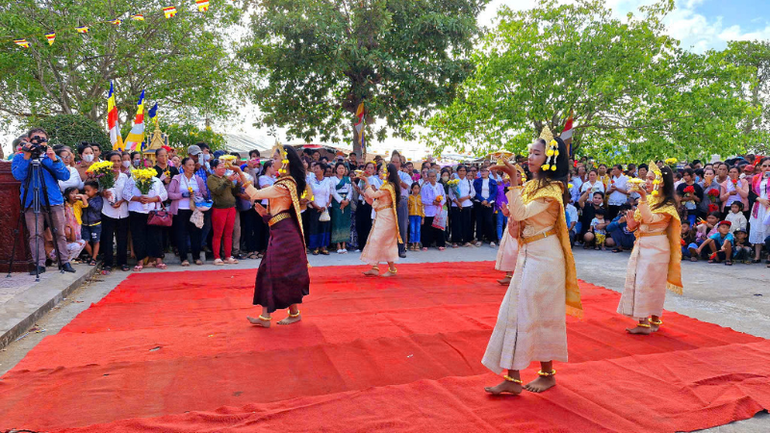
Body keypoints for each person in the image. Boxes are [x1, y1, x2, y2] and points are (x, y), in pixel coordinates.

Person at [483, 133, 582, 396]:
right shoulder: (532, 186)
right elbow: (519, 220)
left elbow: (522, 212)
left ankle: (545, 375)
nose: (530, 157)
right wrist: (513, 224)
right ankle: (514, 378)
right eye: (530, 152)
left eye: (537, 153)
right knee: (517, 312)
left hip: (545, 259)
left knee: (536, 313)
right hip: (529, 254)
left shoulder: (552, 190)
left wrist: (513, 180)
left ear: (551, 159)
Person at [240, 145, 309, 327]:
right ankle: (282, 314)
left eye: (276, 158)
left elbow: (254, 194)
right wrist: (265, 215)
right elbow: (280, 212)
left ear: (285, 162)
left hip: (285, 235)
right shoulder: (286, 183)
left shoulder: (284, 185)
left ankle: (271, 316)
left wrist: (239, 173)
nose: (273, 161)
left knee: (274, 271)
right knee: (274, 270)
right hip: (281, 231)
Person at [617, 161, 682, 334]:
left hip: (656, 247)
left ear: (662, 182)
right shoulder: (650, 199)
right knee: (641, 281)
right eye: (646, 178)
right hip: (642, 243)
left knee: (651, 283)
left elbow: (650, 220)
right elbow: (640, 223)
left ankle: (650, 321)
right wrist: (631, 225)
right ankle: (646, 321)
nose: (646, 181)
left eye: (651, 178)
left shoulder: (668, 204)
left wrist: (643, 198)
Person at [11, 128, 76, 274]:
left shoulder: (51, 156)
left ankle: (64, 262)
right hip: (31, 201)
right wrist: (27, 157)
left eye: (42, 139)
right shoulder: (20, 157)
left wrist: (54, 159)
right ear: (29, 140)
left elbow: (65, 176)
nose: (39, 141)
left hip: (53, 200)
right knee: (35, 234)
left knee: (59, 232)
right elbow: (18, 176)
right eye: (36, 138)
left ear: (47, 141)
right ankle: (39, 264)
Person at [359, 164, 402, 277]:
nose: (381, 173)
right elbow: (376, 199)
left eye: (384, 171)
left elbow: (373, 194)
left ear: (389, 173)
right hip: (382, 215)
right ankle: (375, 267)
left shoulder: (389, 187)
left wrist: (366, 182)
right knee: (378, 240)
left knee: (381, 241)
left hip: (386, 218)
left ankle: (392, 270)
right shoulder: (386, 185)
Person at [123, 165, 168, 271]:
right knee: (138, 236)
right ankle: (140, 261)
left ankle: (158, 260)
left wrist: (152, 199)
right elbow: (125, 194)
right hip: (137, 211)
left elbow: (164, 195)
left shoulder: (156, 180)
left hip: (153, 212)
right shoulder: (133, 179)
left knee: (156, 236)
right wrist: (138, 198)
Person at [168, 157, 208, 266]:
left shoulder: (198, 179)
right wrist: (182, 195)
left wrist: (197, 194)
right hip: (180, 210)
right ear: (183, 167)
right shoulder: (177, 178)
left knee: (196, 233)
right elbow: (170, 194)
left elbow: (204, 194)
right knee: (181, 234)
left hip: (194, 210)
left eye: (193, 165)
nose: (191, 167)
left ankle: (196, 257)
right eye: (189, 165)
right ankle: (183, 258)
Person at [100, 152, 130, 274]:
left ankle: (122, 262)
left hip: (122, 211)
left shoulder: (125, 177)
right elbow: (98, 191)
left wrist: (121, 201)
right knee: (107, 238)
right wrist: (104, 193)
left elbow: (128, 193)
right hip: (108, 211)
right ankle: (108, 263)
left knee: (122, 238)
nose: (116, 163)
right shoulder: (103, 176)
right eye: (113, 161)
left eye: (118, 161)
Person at [207, 159, 241, 265]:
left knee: (229, 233)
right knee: (218, 233)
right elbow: (217, 191)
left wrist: (238, 183)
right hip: (219, 208)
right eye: (220, 167)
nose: (223, 169)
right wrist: (228, 181)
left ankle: (228, 256)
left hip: (231, 207)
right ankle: (217, 257)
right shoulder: (211, 179)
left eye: (224, 167)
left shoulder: (226, 177)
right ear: (214, 168)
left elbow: (234, 192)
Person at [307, 161, 333, 255]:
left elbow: (330, 195)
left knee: (325, 227)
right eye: (314, 168)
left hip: (325, 207)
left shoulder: (328, 181)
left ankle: (323, 247)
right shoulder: (311, 181)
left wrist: (325, 206)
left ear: (322, 170)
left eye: (317, 168)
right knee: (315, 227)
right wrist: (316, 206)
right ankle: (315, 247)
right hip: (314, 207)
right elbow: (310, 195)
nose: (315, 170)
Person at [749, 157, 770, 265]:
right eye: (764, 166)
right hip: (759, 206)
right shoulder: (756, 178)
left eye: (769, 166)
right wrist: (760, 199)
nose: (767, 168)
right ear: (760, 167)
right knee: (757, 229)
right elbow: (751, 193)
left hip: (769, 207)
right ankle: (757, 255)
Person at [420, 169, 446, 251]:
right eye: (430, 176)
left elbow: (444, 197)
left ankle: (440, 243)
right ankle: (426, 244)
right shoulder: (425, 187)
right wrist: (432, 202)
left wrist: (440, 202)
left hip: (438, 209)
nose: (432, 178)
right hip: (429, 209)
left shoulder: (440, 186)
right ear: (427, 177)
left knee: (439, 227)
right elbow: (423, 200)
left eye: (434, 176)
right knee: (427, 227)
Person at [449, 165, 475, 248]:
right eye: (460, 171)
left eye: (464, 171)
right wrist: (457, 202)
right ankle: (455, 241)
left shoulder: (469, 182)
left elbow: (473, 193)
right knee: (456, 223)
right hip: (456, 205)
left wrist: (465, 198)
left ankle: (465, 240)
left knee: (466, 223)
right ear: (457, 172)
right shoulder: (453, 182)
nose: (462, 172)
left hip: (467, 204)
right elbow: (451, 194)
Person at [61, 187, 88, 263]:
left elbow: (85, 205)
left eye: (76, 193)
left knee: (78, 240)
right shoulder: (65, 204)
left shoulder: (78, 203)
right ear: (67, 195)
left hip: (77, 225)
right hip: (68, 225)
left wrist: (82, 197)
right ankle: (66, 256)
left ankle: (73, 256)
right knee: (68, 240)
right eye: (72, 193)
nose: (74, 195)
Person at [494, 204, 518, 286]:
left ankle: (520, 278)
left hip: (525, 226)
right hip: (512, 224)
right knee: (508, 250)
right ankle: (509, 276)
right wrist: (508, 212)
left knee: (518, 253)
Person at [330, 162, 352, 253]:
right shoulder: (333, 179)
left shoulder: (348, 179)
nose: (341, 170)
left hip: (347, 202)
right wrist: (341, 201)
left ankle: (344, 244)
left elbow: (350, 191)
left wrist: (347, 200)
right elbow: (333, 191)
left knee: (345, 223)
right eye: (339, 168)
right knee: (337, 222)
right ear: (336, 169)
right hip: (337, 202)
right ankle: (338, 245)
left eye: (343, 168)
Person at [80, 180, 103, 266]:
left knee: (96, 241)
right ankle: (91, 254)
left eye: (88, 191)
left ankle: (94, 258)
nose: (86, 192)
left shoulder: (98, 199)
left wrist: (88, 200)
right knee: (85, 241)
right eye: (85, 191)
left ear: (95, 190)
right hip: (85, 223)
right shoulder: (83, 198)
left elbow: (97, 208)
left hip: (95, 223)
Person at [473, 167, 498, 246]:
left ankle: (491, 239)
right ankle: (479, 239)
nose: (483, 173)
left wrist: (488, 200)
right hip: (479, 202)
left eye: (485, 171)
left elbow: (494, 193)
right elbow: (475, 192)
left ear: (488, 172)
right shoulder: (476, 181)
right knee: (479, 221)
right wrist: (482, 200)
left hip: (489, 203)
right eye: (482, 171)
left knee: (489, 221)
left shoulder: (493, 181)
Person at [408, 182, 424, 251]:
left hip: (419, 216)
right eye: (415, 188)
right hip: (411, 215)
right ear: (412, 189)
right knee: (412, 230)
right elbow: (408, 207)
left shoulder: (421, 198)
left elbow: (422, 208)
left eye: (417, 188)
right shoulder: (409, 198)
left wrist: (423, 217)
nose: (416, 190)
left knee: (417, 230)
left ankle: (417, 243)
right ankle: (412, 243)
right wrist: (407, 218)